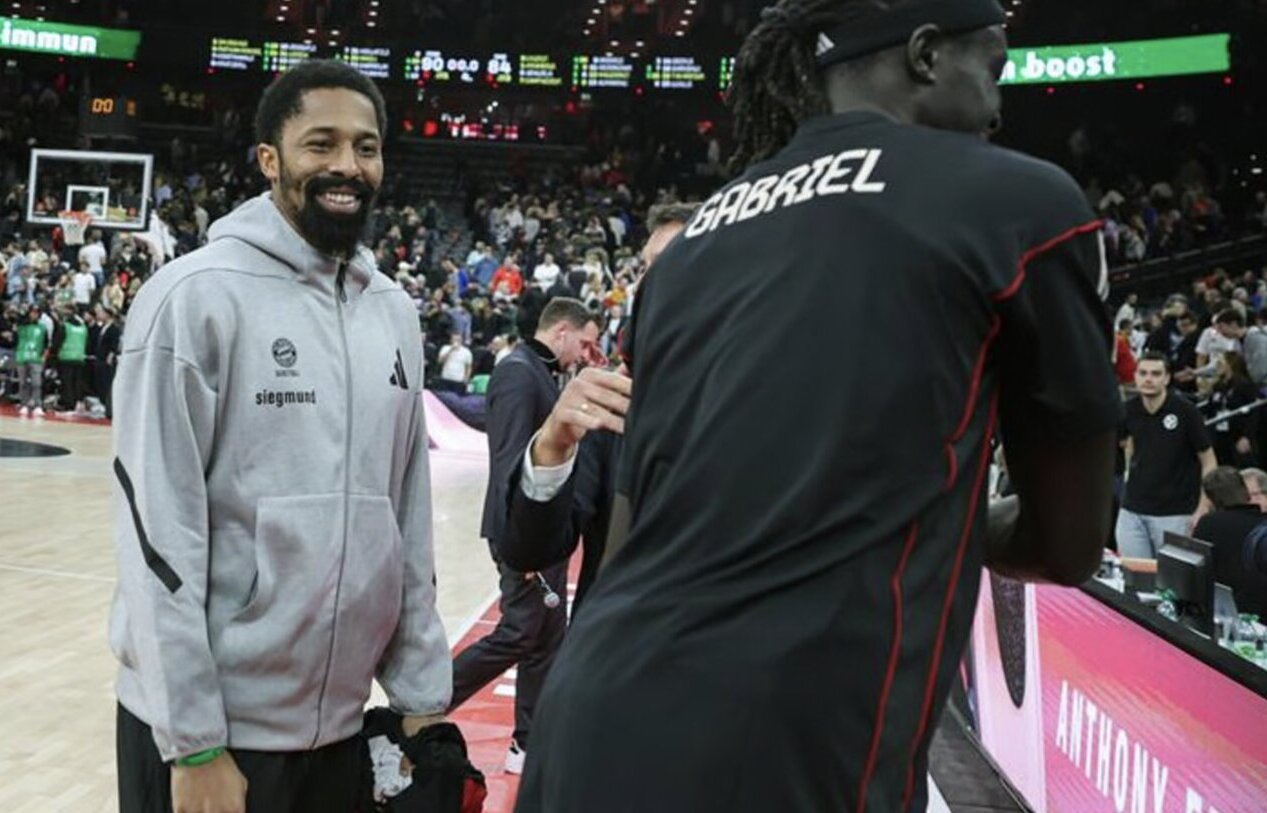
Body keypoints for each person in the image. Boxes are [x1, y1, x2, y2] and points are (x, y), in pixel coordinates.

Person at [517, 1, 1122, 810]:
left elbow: (637, 526)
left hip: (587, 712)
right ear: (925, 54)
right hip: (782, 734)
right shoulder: (1018, 202)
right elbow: (1068, 540)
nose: (997, 105)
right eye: (993, 68)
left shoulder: (689, 251)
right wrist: (895, 511)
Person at [110, 60, 451, 813]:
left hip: (339, 729)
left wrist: (422, 695)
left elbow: (408, 516)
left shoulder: (394, 311)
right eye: (320, 143)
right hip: (211, 736)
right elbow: (156, 533)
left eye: (365, 147)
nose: (347, 165)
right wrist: (194, 740)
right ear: (269, 158)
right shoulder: (194, 296)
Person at [495, 203, 698, 613]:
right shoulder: (613, 403)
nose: (642, 285)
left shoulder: (772, 405)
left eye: (664, 266)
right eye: (643, 268)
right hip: (613, 641)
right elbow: (530, 549)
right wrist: (551, 447)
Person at [450, 297, 599, 775]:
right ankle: (428, 700)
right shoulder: (518, 372)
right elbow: (510, 459)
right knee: (519, 632)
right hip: (523, 533)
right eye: (584, 344)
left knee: (547, 637)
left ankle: (527, 743)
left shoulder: (543, 373)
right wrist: (523, 542)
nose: (585, 354)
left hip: (545, 531)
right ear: (561, 331)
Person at [1118, 352, 1216, 558]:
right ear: (1135, 376)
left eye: (1155, 374)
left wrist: (1203, 506)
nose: (1148, 379)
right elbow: (1120, 444)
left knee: (1170, 577)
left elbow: (1208, 460)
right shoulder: (1128, 410)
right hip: (1132, 509)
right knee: (1133, 574)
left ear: (1167, 378)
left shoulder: (1186, 411)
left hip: (1176, 512)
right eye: (1143, 373)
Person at [1191, 467, 1267, 617]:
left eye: (1256, 494)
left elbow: (1194, 572)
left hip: (1222, 611)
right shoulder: (1259, 527)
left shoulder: (1209, 524)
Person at [48, 303, 89, 415]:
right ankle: (76, 403)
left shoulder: (65, 326)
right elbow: (87, 343)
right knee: (76, 383)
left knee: (67, 383)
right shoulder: (83, 327)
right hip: (79, 357)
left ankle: (68, 404)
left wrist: (53, 355)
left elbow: (57, 342)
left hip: (66, 357)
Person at [15, 303, 47, 417]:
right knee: (23, 383)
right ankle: (23, 404)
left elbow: (46, 343)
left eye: (36, 313)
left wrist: (43, 356)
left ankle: (37, 405)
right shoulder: (21, 326)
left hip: (36, 358)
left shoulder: (42, 328)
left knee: (36, 383)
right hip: (22, 356)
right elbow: (18, 322)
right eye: (32, 312)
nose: (34, 315)